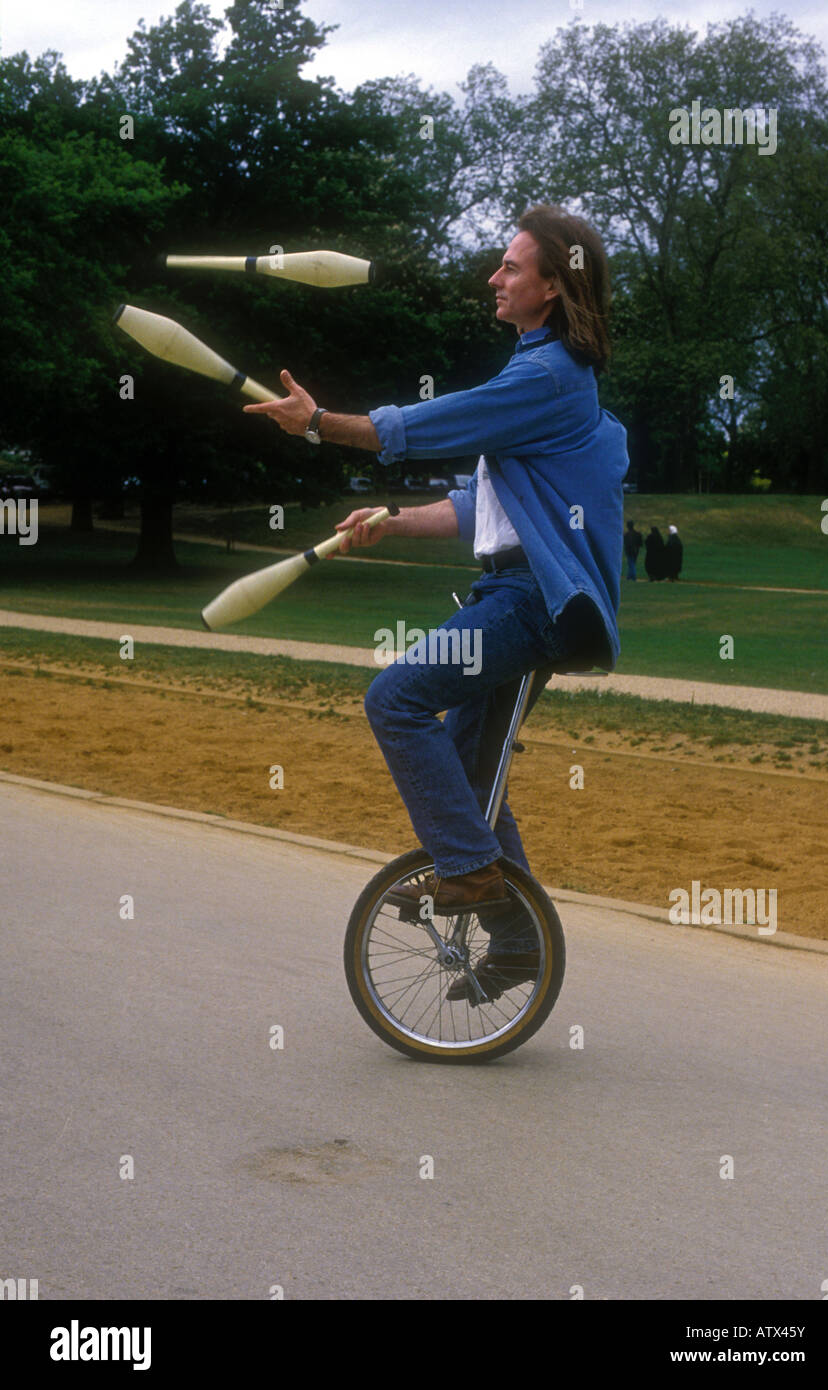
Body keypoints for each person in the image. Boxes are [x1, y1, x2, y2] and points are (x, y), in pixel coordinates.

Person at [243, 204, 629, 1001]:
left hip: (528, 602)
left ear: (552, 287)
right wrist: (389, 520)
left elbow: (431, 423)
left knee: (395, 697)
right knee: (471, 766)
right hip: (517, 590)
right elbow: (476, 509)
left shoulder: (546, 375)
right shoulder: (545, 380)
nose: (494, 277)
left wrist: (319, 424)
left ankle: (468, 870)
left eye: (512, 267)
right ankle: (516, 938)